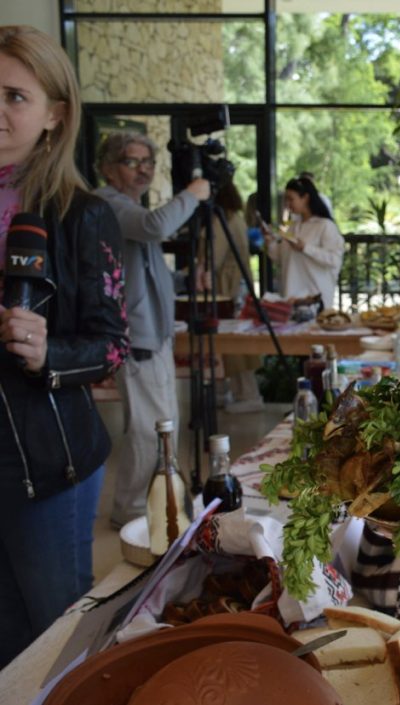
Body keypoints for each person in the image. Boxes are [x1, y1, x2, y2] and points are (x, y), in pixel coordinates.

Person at [0, 25, 128, 668]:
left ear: (55, 113)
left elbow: (112, 346)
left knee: (51, 646)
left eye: (14, 96)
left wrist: (49, 353)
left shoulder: (81, 213)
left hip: (49, 465)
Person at [95, 131, 211, 528]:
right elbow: (155, 227)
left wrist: (183, 282)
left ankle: (153, 503)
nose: (144, 170)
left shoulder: (129, 207)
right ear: (108, 167)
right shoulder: (109, 204)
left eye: (149, 162)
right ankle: (130, 512)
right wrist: (193, 194)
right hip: (138, 336)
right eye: (133, 161)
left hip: (156, 334)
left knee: (164, 426)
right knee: (148, 430)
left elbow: (145, 272)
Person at [201, 179, 263, 413]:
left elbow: (213, 259)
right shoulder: (236, 218)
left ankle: (245, 394)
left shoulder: (221, 221)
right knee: (238, 342)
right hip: (239, 287)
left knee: (232, 344)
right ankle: (236, 391)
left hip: (226, 290)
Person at [265, 176, 345, 309]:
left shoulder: (325, 226)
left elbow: (334, 260)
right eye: (286, 199)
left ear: (305, 198)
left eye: (291, 199)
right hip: (291, 298)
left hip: (314, 299)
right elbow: (282, 258)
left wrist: (305, 248)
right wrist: (270, 243)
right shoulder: (293, 226)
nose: (287, 204)